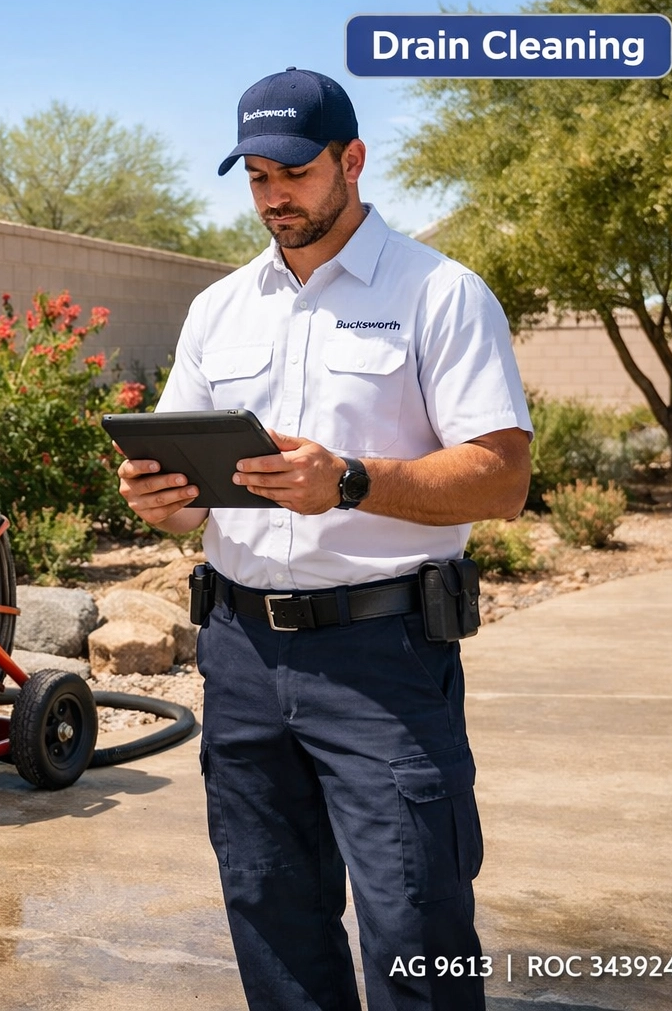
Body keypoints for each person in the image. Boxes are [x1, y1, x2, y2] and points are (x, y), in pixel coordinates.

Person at [117, 68, 532, 1011]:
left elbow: (504, 479)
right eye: (257, 176)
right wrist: (162, 498)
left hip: (382, 658)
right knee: (271, 910)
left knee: (414, 923)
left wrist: (349, 481)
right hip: (240, 654)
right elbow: (189, 502)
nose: (274, 198)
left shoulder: (440, 293)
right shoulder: (219, 308)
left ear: (351, 160)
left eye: (294, 173)